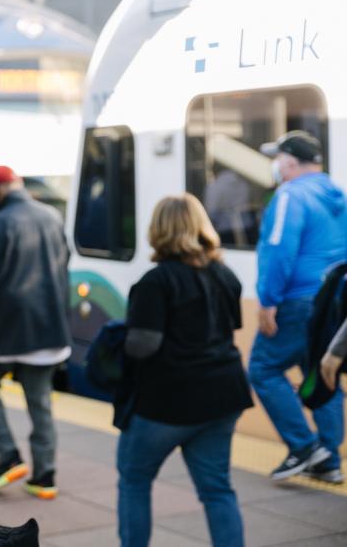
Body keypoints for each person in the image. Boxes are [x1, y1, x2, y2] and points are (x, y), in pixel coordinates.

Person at [118, 194, 252, 547]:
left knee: (134, 479)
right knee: (217, 489)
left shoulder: (156, 282)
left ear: (158, 230)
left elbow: (143, 345)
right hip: (223, 396)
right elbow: (229, 328)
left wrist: (118, 339)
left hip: (168, 402)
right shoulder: (224, 275)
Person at [0, 165, 71, 499]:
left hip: (4, 330)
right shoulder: (53, 217)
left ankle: (8, 457)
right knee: (40, 402)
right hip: (49, 330)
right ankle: (45, 476)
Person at [250, 131, 346, 482]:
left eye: (277, 158)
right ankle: (329, 460)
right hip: (334, 301)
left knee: (262, 369)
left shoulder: (290, 195)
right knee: (322, 371)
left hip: (298, 300)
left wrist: (269, 300)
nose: (275, 165)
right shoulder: (338, 194)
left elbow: (279, 250)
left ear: (289, 161)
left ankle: (304, 447)